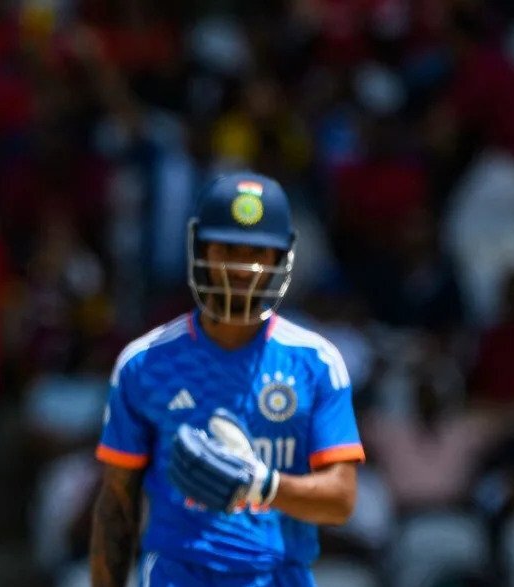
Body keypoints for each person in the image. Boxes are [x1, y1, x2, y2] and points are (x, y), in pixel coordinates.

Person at [89, 173, 363, 586]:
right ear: (201, 248)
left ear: (281, 257)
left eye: (257, 252)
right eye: (228, 249)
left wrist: (262, 486)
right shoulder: (144, 363)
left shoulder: (316, 363)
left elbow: (341, 500)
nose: (241, 267)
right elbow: (116, 506)